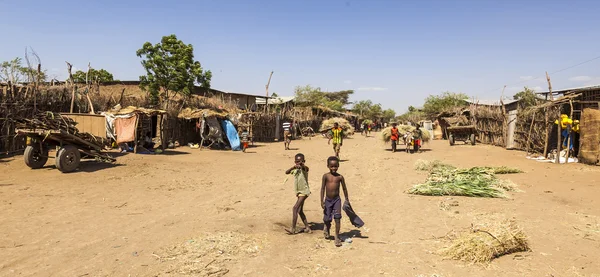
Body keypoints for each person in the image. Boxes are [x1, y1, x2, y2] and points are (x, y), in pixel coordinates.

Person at [321, 156, 349, 247]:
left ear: (338, 166)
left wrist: (347, 199)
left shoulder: (340, 177)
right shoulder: (325, 176)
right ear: (328, 166)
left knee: (337, 218)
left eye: (335, 166)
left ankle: (337, 236)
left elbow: (344, 188)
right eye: (331, 166)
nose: (334, 168)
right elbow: (322, 188)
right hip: (328, 200)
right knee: (327, 218)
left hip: (337, 200)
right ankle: (327, 228)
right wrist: (322, 200)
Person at [285, 153, 311, 234]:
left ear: (304, 161)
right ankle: (307, 228)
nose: (298, 163)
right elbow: (287, 172)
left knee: (295, 208)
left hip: (304, 191)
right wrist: (293, 167)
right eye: (296, 161)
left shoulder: (304, 169)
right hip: (299, 192)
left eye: (300, 161)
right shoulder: (295, 170)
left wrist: (302, 165)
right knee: (300, 210)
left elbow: (306, 168)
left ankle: (293, 228)